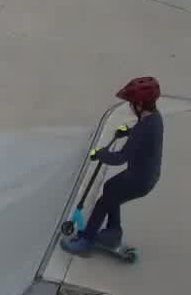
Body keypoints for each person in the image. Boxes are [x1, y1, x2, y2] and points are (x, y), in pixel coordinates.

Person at [64, 76, 164, 253]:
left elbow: (120, 158)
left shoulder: (143, 128)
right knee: (110, 188)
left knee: (104, 202)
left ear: (139, 105)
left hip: (139, 180)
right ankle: (113, 232)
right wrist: (127, 132)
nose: (130, 106)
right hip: (145, 175)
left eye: (131, 103)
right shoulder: (155, 118)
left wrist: (102, 154)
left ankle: (86, 241)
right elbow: (141, 137)